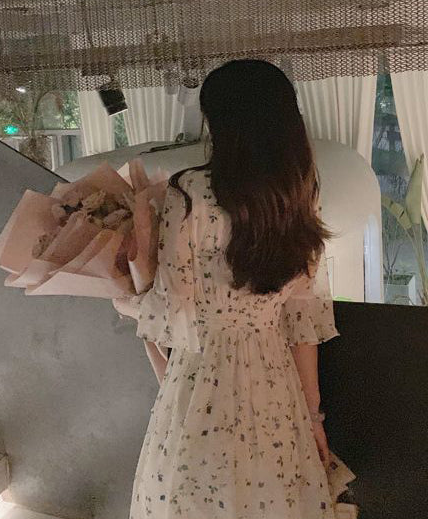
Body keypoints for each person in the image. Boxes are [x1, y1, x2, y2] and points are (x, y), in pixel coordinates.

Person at [115, 59, 355, 519]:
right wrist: (313, 418)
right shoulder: (299, 196)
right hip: (274, 383)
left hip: (202, 379)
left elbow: (171, 314)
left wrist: (124, 296)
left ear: (219, 123)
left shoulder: (189, 193)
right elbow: (302, 321)